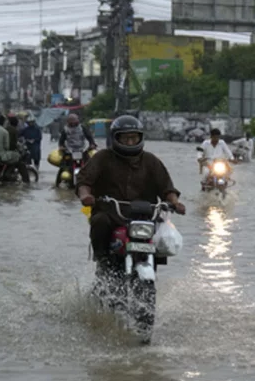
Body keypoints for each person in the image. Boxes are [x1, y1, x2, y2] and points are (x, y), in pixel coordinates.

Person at [76, 115, 186, 268]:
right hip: (111, 214)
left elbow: (167, 188)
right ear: (115, 138)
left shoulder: (151, 161)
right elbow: (84, 181)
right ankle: (102, 258)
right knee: (99, 221)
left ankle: (151, 263)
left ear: (140, 138)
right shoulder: (102, 158)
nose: (129, 142)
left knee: (160, 236)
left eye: (133, 138)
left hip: (144, 217)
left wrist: (175, 203)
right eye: (125, 139)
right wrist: (85, 195)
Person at [0, 115, 30, 184]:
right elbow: (6, 147)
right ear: (3, 122)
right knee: (17, 157)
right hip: (1, 155)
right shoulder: (4, 131)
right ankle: (11, 175)